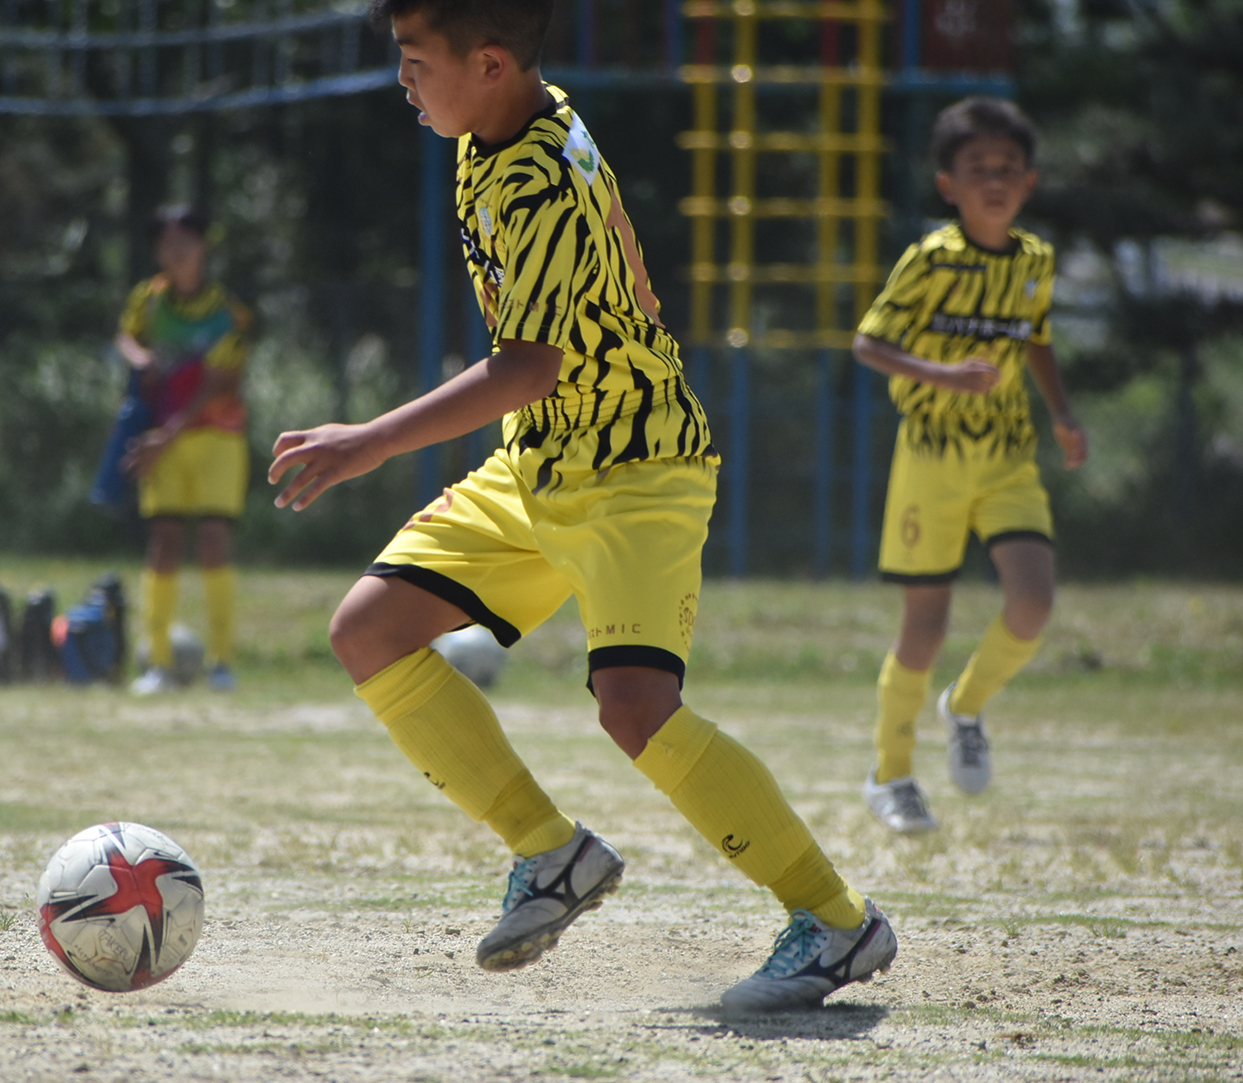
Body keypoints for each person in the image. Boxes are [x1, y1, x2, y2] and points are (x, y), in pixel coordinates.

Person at [268, 0, 896, 1015]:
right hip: (547, 461)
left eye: (413, 60)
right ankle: (552, 856)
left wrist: (368, 441)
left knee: (635, 709)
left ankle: (835, 919)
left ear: (485, 62)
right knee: (372, 630)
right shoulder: (508, 122)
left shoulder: (537, 179)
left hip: (637, 469)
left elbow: (528, 365)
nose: (403, 81)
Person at [853, 97, 1088, 835]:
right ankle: (890, 773)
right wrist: (943, 374)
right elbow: (869, 342)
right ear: (949, 183)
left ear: (1030, 182)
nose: (995, 178)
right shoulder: (931, 260)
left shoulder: (1036, 261)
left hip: (1009, 458)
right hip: (932, 460)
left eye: (1008, 168)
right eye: (978, 168)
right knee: (924, 625)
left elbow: (1037, 337)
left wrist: (1062, 412)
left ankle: (965, 704)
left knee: (1033, 603)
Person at [108, 205, 252, 694]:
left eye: (185, 242)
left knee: (213, 540)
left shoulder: (226, 311)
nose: (176, 252)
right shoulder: (147, 301)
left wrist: (163, 438)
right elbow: (126, 336)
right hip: (160, 438)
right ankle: (157, 665)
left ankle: (222, 662)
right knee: (164, 541)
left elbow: (217, 382)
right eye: (167, 244)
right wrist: (140, 356)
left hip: (215, 437)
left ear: (203, 246)